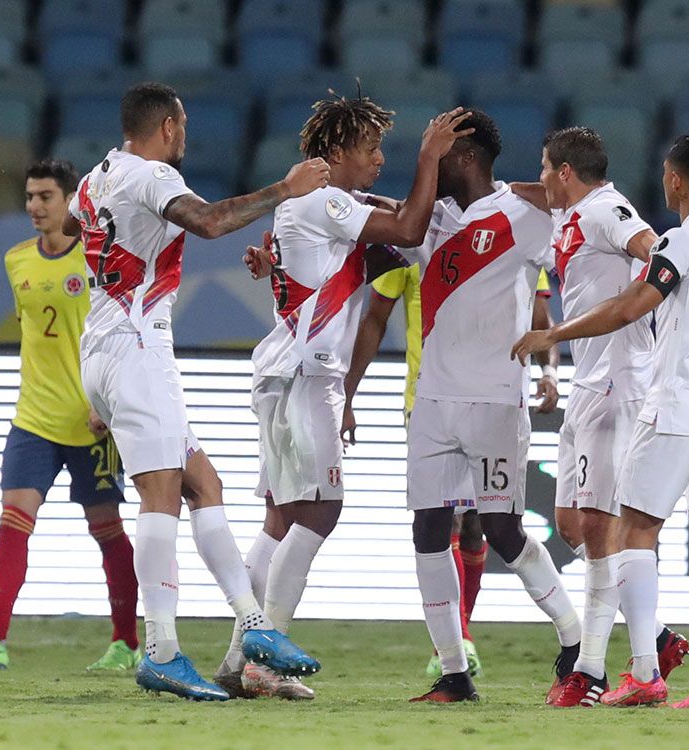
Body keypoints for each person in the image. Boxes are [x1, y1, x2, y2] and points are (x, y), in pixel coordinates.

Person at [61, 81, 330, 701]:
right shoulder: (152, 177)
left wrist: (108, 391)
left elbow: (83, 234)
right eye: (181, 126)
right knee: (160, 494)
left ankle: (255, 626)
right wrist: (285, 190)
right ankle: (160, 651)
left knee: (202, 483)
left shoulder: (96, 177)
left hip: (103, 346)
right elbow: (209, 222)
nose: (184, 136)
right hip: (135, 347)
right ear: (168, 128)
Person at [214, 96, 470, 700]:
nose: (380, 158)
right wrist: (430, 158)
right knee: (321, 511)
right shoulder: (326, 201)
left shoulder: (317, 207)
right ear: (335, 155)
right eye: (370, 148)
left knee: (280, 518)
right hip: (308, 374)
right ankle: (265, 661)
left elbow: (389, 238)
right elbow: (408, 228)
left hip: (285, 372)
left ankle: (237, 660)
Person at [512, 134, 689, 709]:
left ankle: (643, 669)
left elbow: (630, 306)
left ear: (675, 180)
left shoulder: (682, 239)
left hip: (676, 407)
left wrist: (555, 333)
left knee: (632, 532)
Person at [342, 111, 582, 703]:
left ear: (466, 156)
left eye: (438, 154)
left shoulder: (527, 216)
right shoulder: (425, 220)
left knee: (502, 531)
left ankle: (575, 640)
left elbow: (580, 207)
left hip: (496, 403)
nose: (428, 166)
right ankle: (454, 672)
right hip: (433, 403)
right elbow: (373, 244)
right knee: (427, 530)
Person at [0, 159, 141, 674]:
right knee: (13, 521)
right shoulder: (16, 260)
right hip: (33, 418)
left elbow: (121, 333)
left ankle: (127, 643)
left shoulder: (97, 260)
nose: (34, 206)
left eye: (45, 197)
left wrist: (109, 402)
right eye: (29, 196)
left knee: (108, 530)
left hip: (91, 420)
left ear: (71, 200)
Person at [518, 128, 689, 707]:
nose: (540, 176)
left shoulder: (608, 209)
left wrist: (643, 310)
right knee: (572, 523)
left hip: (620, 384)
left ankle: (589, 672)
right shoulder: (574, 213)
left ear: (566, 172)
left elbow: (655, 250)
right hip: (587, 382)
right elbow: (529, 194)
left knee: (598, 528)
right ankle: (656, 635)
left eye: (546, 167)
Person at [361, 264, 559, 680]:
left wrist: (548, 371)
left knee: (477, 525)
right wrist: (347, 392)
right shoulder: (417, 235)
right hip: (428, 402)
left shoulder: (515, 235)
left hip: (494, 403)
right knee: (442, 518)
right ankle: (457, 644)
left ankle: (457, 639)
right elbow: (376, 314)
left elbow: (541, 319)